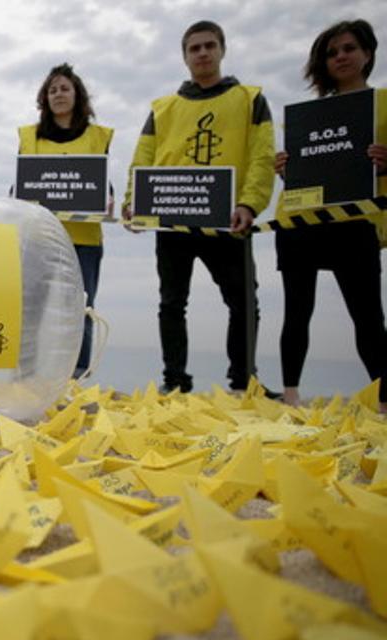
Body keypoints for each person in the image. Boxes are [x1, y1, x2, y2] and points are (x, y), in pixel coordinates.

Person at [121, 20, 276, 394]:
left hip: (227, 219)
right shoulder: (163, 108)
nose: (203, 53)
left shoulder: (250, 99)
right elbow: (143, 157)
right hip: (173, 220)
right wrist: (133, 201)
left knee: (243, 302)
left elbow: (262, 154)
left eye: (209, 46)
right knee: (172, 303)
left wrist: (250, 203)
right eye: (195, 48)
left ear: (222, 49)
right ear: (185, 57)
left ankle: (244, 381)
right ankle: (174, 381)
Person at [274, 19, 387, 412]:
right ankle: (290, 394)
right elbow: (302, 176)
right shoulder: (308, 116)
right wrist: (288, 167)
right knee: (296, 312)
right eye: (332, 52)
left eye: (349, 48)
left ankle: (383, 398)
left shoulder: (384, 102)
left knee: (368, 314)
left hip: (355, 223)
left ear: (368, 53)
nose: (340, 56)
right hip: (300, 224)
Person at [18, 63, 113, 378]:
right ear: (45, 98)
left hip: (85, 240)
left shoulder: (98, 137)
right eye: (53, 89)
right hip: (41, 240)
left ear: (78, 95)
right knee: (33, 307)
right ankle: (28, 372)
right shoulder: (29, 137)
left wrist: (110, 201)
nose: (59, 94)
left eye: (65, 88)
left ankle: (78, 375)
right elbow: (20, 184)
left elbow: (102, 183)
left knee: (79, 309)